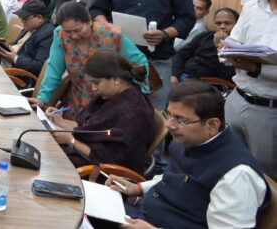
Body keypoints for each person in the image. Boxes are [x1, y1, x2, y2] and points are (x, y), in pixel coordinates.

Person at [106, 80, 270, 229]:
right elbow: (173, 178)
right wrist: (138, 188)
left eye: (180, 120)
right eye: (168, 115)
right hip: (146, 214)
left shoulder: (236, 176)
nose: (169, 125)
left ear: (212, 125)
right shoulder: (191, 140)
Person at [90, 0, 195, 112]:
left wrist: (165, 34)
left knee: (154, 113)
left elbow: (186, 18)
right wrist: (107, 27)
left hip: (157, 61)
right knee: (113, 110)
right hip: (118, 59)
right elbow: (97, 9)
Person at [31, 1, 149, 119]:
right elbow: (54, 69)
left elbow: (140, 62)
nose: (74, 36)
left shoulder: (112, 35)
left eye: (78, 30)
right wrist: (42, 99)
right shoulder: (60, 35)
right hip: (77, 103)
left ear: (89, 20)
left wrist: (136, 96)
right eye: (68, 32)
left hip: (110, 105)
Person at [46, 51, 155, 173]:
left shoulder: (133, 113)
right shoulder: (111, 96)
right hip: (82, 160)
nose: (93, 89)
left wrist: (70, 141)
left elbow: (106, 160)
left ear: (116, 79)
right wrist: (60, 121)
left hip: (102, 175)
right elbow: (86, 127)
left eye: (96, 83)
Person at [224, 0, 277, 180]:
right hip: (237, 98)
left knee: (266, 177)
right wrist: (225, 46)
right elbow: (235, 42)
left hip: (270, 109)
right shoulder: (252, 6)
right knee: (231, 166)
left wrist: (256, 68)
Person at [171, 7, 238, 84]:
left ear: (237, 24)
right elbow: (181, 54)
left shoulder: (239, 45)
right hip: (183, 74)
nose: (222, 26)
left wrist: (220, 46)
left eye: (227, 23)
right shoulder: (205, 36)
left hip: (207, 83)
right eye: (218, 23)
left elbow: (230, 73)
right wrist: (174, 75)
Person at [0, 0, 54, 76]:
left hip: (19, 75)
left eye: (25, 18)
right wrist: (3, 50)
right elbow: (16, 44)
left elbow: (39, 65)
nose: (22, 21)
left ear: (39, 18)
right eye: (21, 17)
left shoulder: (48, 34)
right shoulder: (30, 26)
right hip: (6, 65)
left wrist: (15, 58)